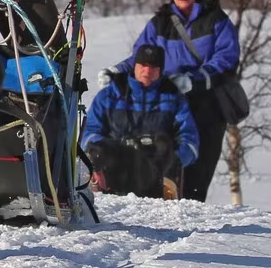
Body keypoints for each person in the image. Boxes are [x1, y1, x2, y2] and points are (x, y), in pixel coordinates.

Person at [131, 0, 239, 202]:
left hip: (208, 105)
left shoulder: (215, 19)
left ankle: (193, 213)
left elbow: (227, 57)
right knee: (164, 156)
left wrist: (196, 78)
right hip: (169, 103)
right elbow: (141, 56)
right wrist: (119, 71)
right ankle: (163, 208)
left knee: (201, 164)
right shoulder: (159, 23)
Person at [81, 44, 199, 198]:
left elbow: (190, 139)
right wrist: (97, 150)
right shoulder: (109, 95)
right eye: (143, 65)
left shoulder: (173, 98)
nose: (147, 71)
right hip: (116, 166)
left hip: (157, 170)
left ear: (161, 71)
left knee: (163, 143)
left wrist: (176, 159)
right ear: (134, 66)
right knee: (100, 148)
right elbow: (90, 131)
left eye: (153, 67)